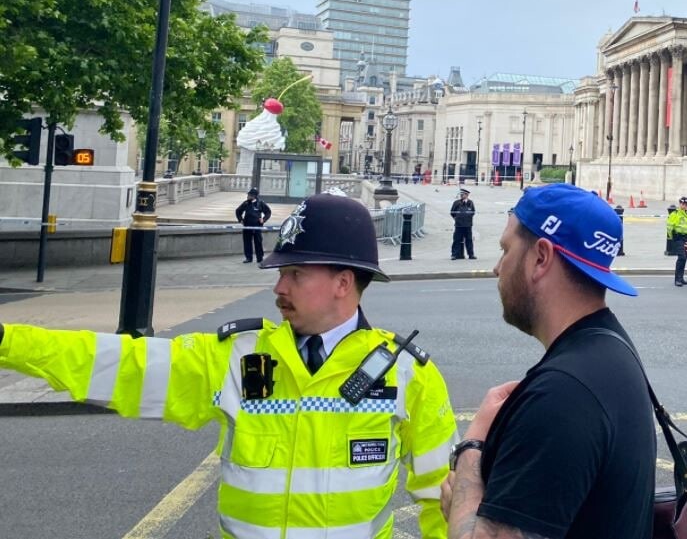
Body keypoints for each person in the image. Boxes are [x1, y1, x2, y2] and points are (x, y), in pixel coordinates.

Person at [0, 192, 459, 538]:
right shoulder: (236, 355)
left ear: (343, 282)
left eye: (295, 274)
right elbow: (120, 365)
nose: (279, 287)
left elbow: (445, 500)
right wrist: (7, 341)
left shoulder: (407, 375)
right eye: (281, 273)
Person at [441, 184, 656, 539]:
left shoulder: (562, 395)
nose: (497, 269)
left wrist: (470, 452)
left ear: (541, 257)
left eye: (506, 249)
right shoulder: (611, 350)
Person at [235, 187, 272, 263]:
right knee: (247, 242)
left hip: (257, 226)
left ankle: (260, 258)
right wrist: (240, 220)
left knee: (258, 242)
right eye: (248, 194)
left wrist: (263, 219)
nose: (248, 196)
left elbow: (268, 212)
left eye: (249, 195)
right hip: (247, 226)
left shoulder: (260, 203)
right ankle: (248, 258)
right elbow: (238, 211)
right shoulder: (246, 203)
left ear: (254, 196)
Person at [666, 196, 687, 286]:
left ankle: (681, 278)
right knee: (681, 257)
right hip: (678, 237)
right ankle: (677, 279)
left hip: (686, 237)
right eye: (683, 204)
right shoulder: (675, 213)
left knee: (685, 258)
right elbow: (669, 225)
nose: (684, 206)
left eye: (686, 204)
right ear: (680, 204)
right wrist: (671, 237)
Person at [450, 187, 477, 260]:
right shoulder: (457, 203)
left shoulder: (470, 203)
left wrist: (468, 218)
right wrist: (457, 219)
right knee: (457, 240)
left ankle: (471, 254)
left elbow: (473, 212)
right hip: (459, 225)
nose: (461, 196)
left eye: (463, 194)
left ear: (467, 195)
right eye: (461, 194)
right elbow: (452, 212)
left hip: (468, 225)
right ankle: (454, 254)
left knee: (469, 240)